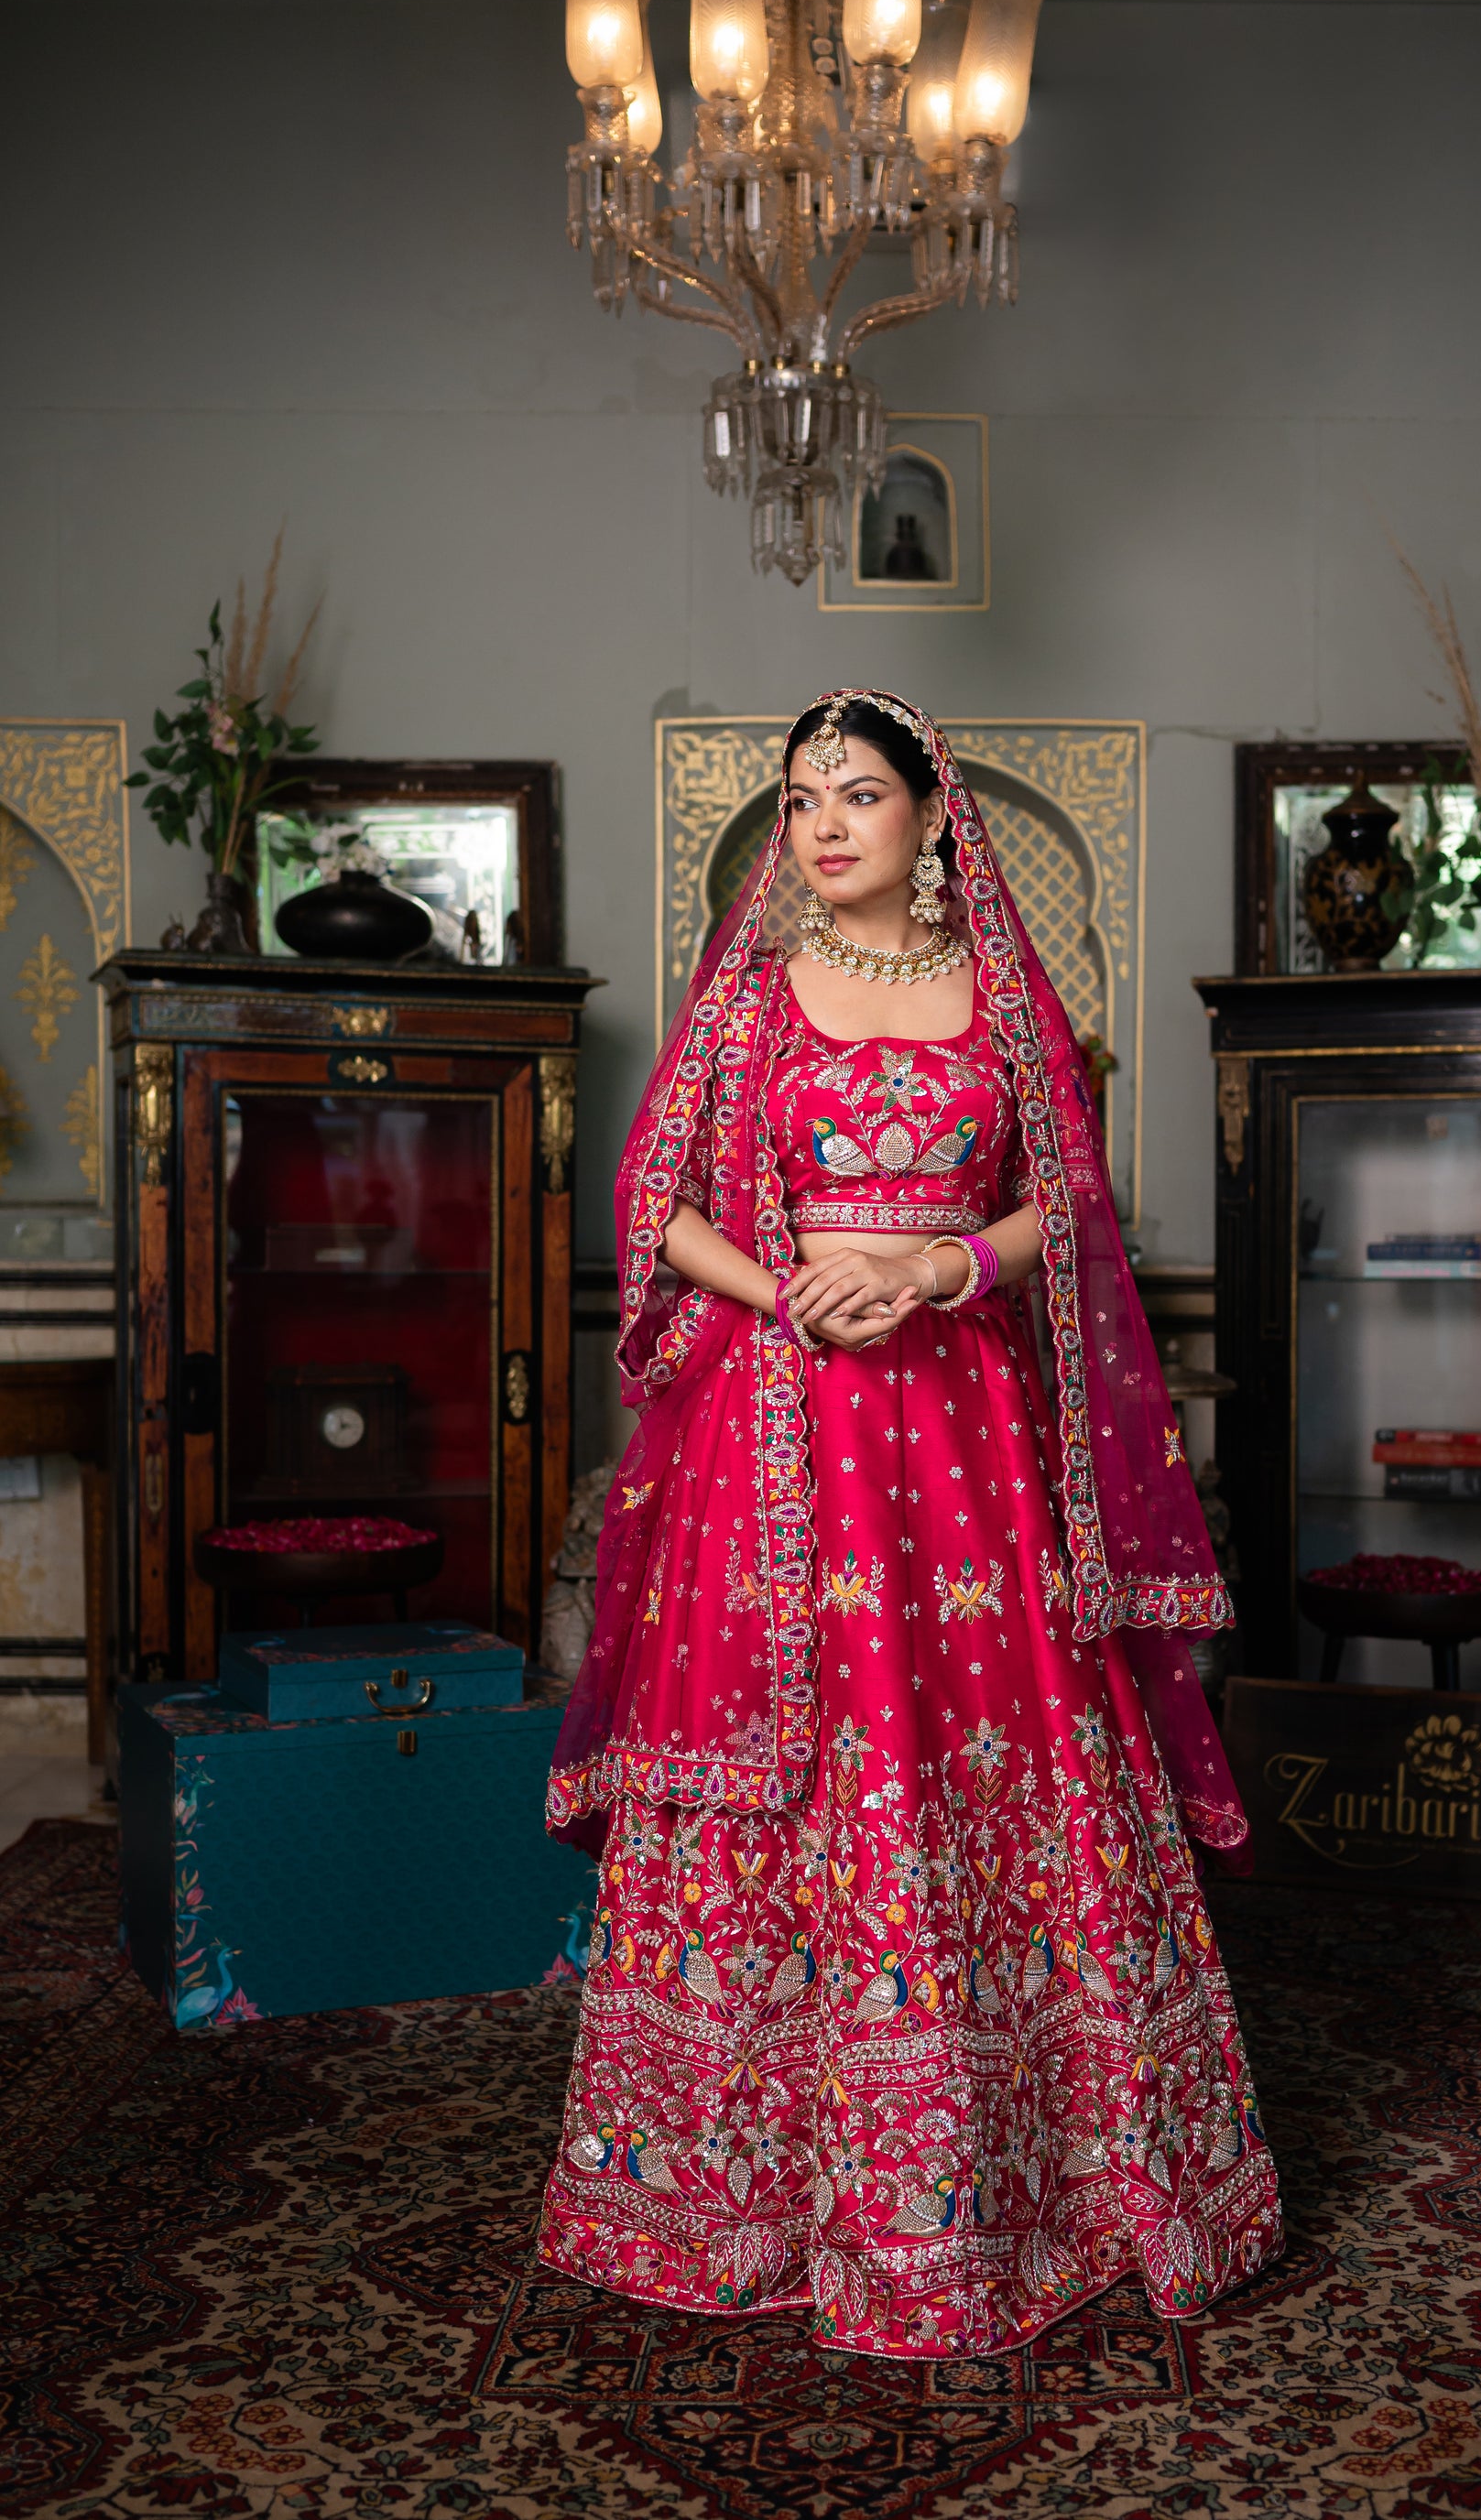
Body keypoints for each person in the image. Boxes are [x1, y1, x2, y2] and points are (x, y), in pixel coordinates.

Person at [539, 690, 1282, 2356]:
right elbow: (651, 1210)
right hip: (783, 1429)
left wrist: (940, 1264)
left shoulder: (1004, 996)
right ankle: (728, 2196)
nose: (823, 824)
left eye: (857, 794)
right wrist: (798, 1290)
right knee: (791, 1757)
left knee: (985, 1748)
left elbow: (1063, 1203)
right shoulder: (744, 1002)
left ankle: (1053, 2190)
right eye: (802, 798)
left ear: (930, 816)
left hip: (964, 1439)